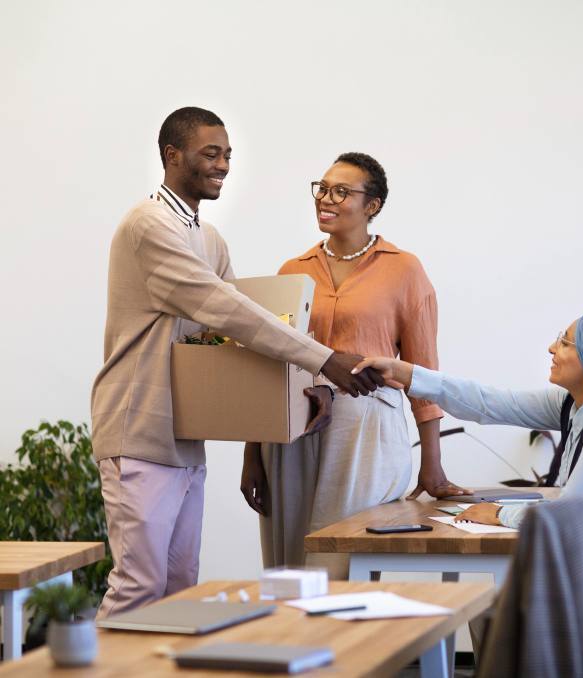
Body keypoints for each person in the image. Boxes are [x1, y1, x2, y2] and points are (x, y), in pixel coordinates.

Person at [91, 108, 383, 618]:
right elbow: (227, 311)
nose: (223, 164)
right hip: (138, 429)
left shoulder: (208, 239)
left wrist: (310, 384)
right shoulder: (149, 225)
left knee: (180, 589)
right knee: (139, 588)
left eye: (227, 155)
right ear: (172, 156)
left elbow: (234, 335)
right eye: (211, 153)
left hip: (183, 437)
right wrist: (327, 358)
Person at [240, 152, 468, 577]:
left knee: (346, 557)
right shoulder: (293, 270)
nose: (326, 198)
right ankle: (295, 641)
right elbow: (267, 363)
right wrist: (252, 455)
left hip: (366, 433)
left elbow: (424, 377)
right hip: (291, 431)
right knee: (289, 561)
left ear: (372, 205)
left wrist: (432, 464)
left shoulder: (404, 271)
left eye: (342, 191)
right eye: (322, 188)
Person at [354, 309, 583, 528]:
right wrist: (402, 373)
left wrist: (500, 515)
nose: (551, 348)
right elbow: (489, 403)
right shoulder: (575, 405)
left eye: (565, 343)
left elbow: (569, 516)